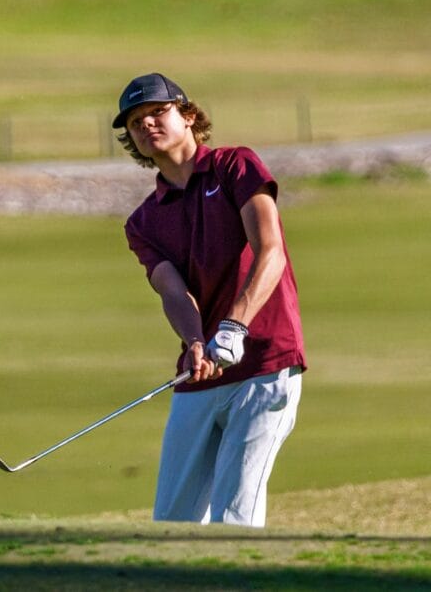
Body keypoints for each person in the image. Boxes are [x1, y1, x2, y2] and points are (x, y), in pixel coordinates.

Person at [113, 73, 307, 528]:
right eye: (136, 122)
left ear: (188, 115)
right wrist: (196, 340)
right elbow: (172, 290)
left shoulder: (236, 167)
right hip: (198, 372)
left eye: (158, 112)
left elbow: (270, 251)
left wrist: (235, 326)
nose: (147, 125)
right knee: (173, 526)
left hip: (265, 364)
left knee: (235, 518)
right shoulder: (143, 222)